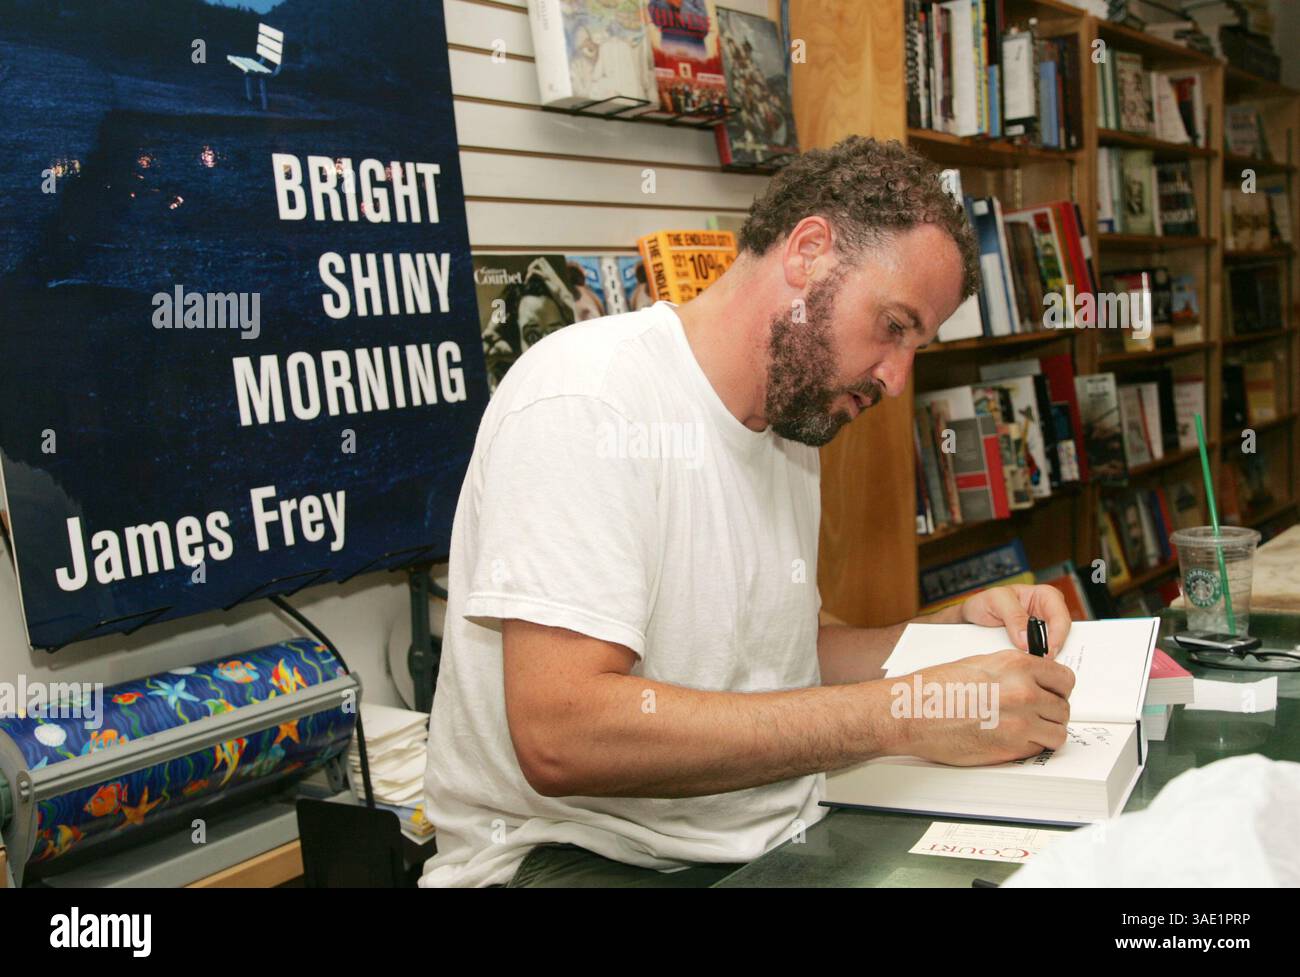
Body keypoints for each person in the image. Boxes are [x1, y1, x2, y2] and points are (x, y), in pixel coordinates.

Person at [421, 137, 1077, 888]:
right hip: (580, 859)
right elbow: (562, 734)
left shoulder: (794, 423)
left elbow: (779, 658)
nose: (897, 379)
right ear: (808, 252)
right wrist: (906, 710)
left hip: (759, 834)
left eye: (915, 345)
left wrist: (942, 640)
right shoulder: (589, 396)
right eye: (894, 326)